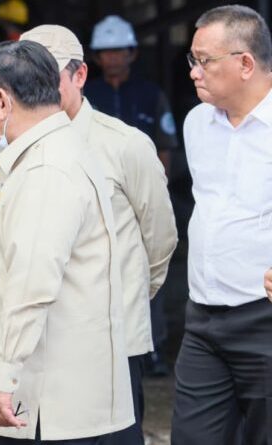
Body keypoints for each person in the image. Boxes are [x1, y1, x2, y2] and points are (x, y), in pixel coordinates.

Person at [0, 40, 134, 444]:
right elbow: (10, 219)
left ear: (1, 101)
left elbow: (33, 284)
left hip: (47, 404)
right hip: (51, 396)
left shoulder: (48, 169)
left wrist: (1, 375)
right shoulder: (48, 153)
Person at [20, 25, 178, 445]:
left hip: (109, 342)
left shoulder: (125, 145)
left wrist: (123, 297)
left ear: (79, 75)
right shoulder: (10, 148)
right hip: (35, 340)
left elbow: (159, 239)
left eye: (47, 77)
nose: (36, 90)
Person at [171, 5, 272, 444]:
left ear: (245, 63)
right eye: (192, 60)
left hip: (264, 319)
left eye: (204, 60)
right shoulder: (197, 124)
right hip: (203, 321)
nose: (194, 71)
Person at [85, 14, 178, 376]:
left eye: (119, 51)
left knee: (148, 267)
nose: (113, 58)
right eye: (106, 52)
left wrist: (158, 193)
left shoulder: (150, 94)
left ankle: (151, 351)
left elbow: (165, 148)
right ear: (95, 57)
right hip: (96, 201)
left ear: (133, 53)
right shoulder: (87, 95)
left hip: (142, 197)